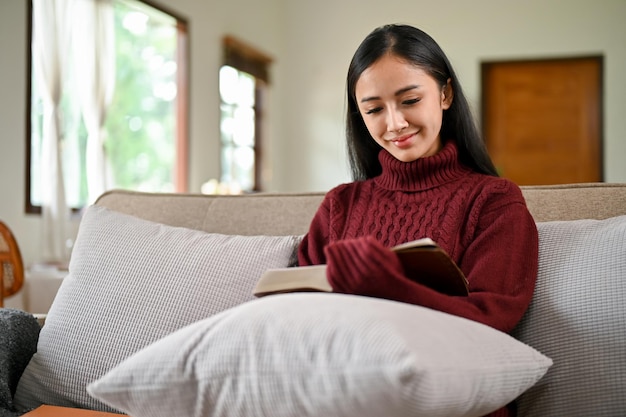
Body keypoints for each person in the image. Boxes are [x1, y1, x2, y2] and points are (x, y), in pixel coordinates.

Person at [297, 23, 538, 417]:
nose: (394, 124)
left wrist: (389, 287)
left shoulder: (494, 200)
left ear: (444, 94)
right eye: (374, 109)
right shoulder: (340, 205)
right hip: (341, 393)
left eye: (409, 100)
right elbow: (296, 310)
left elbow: (490, 320)